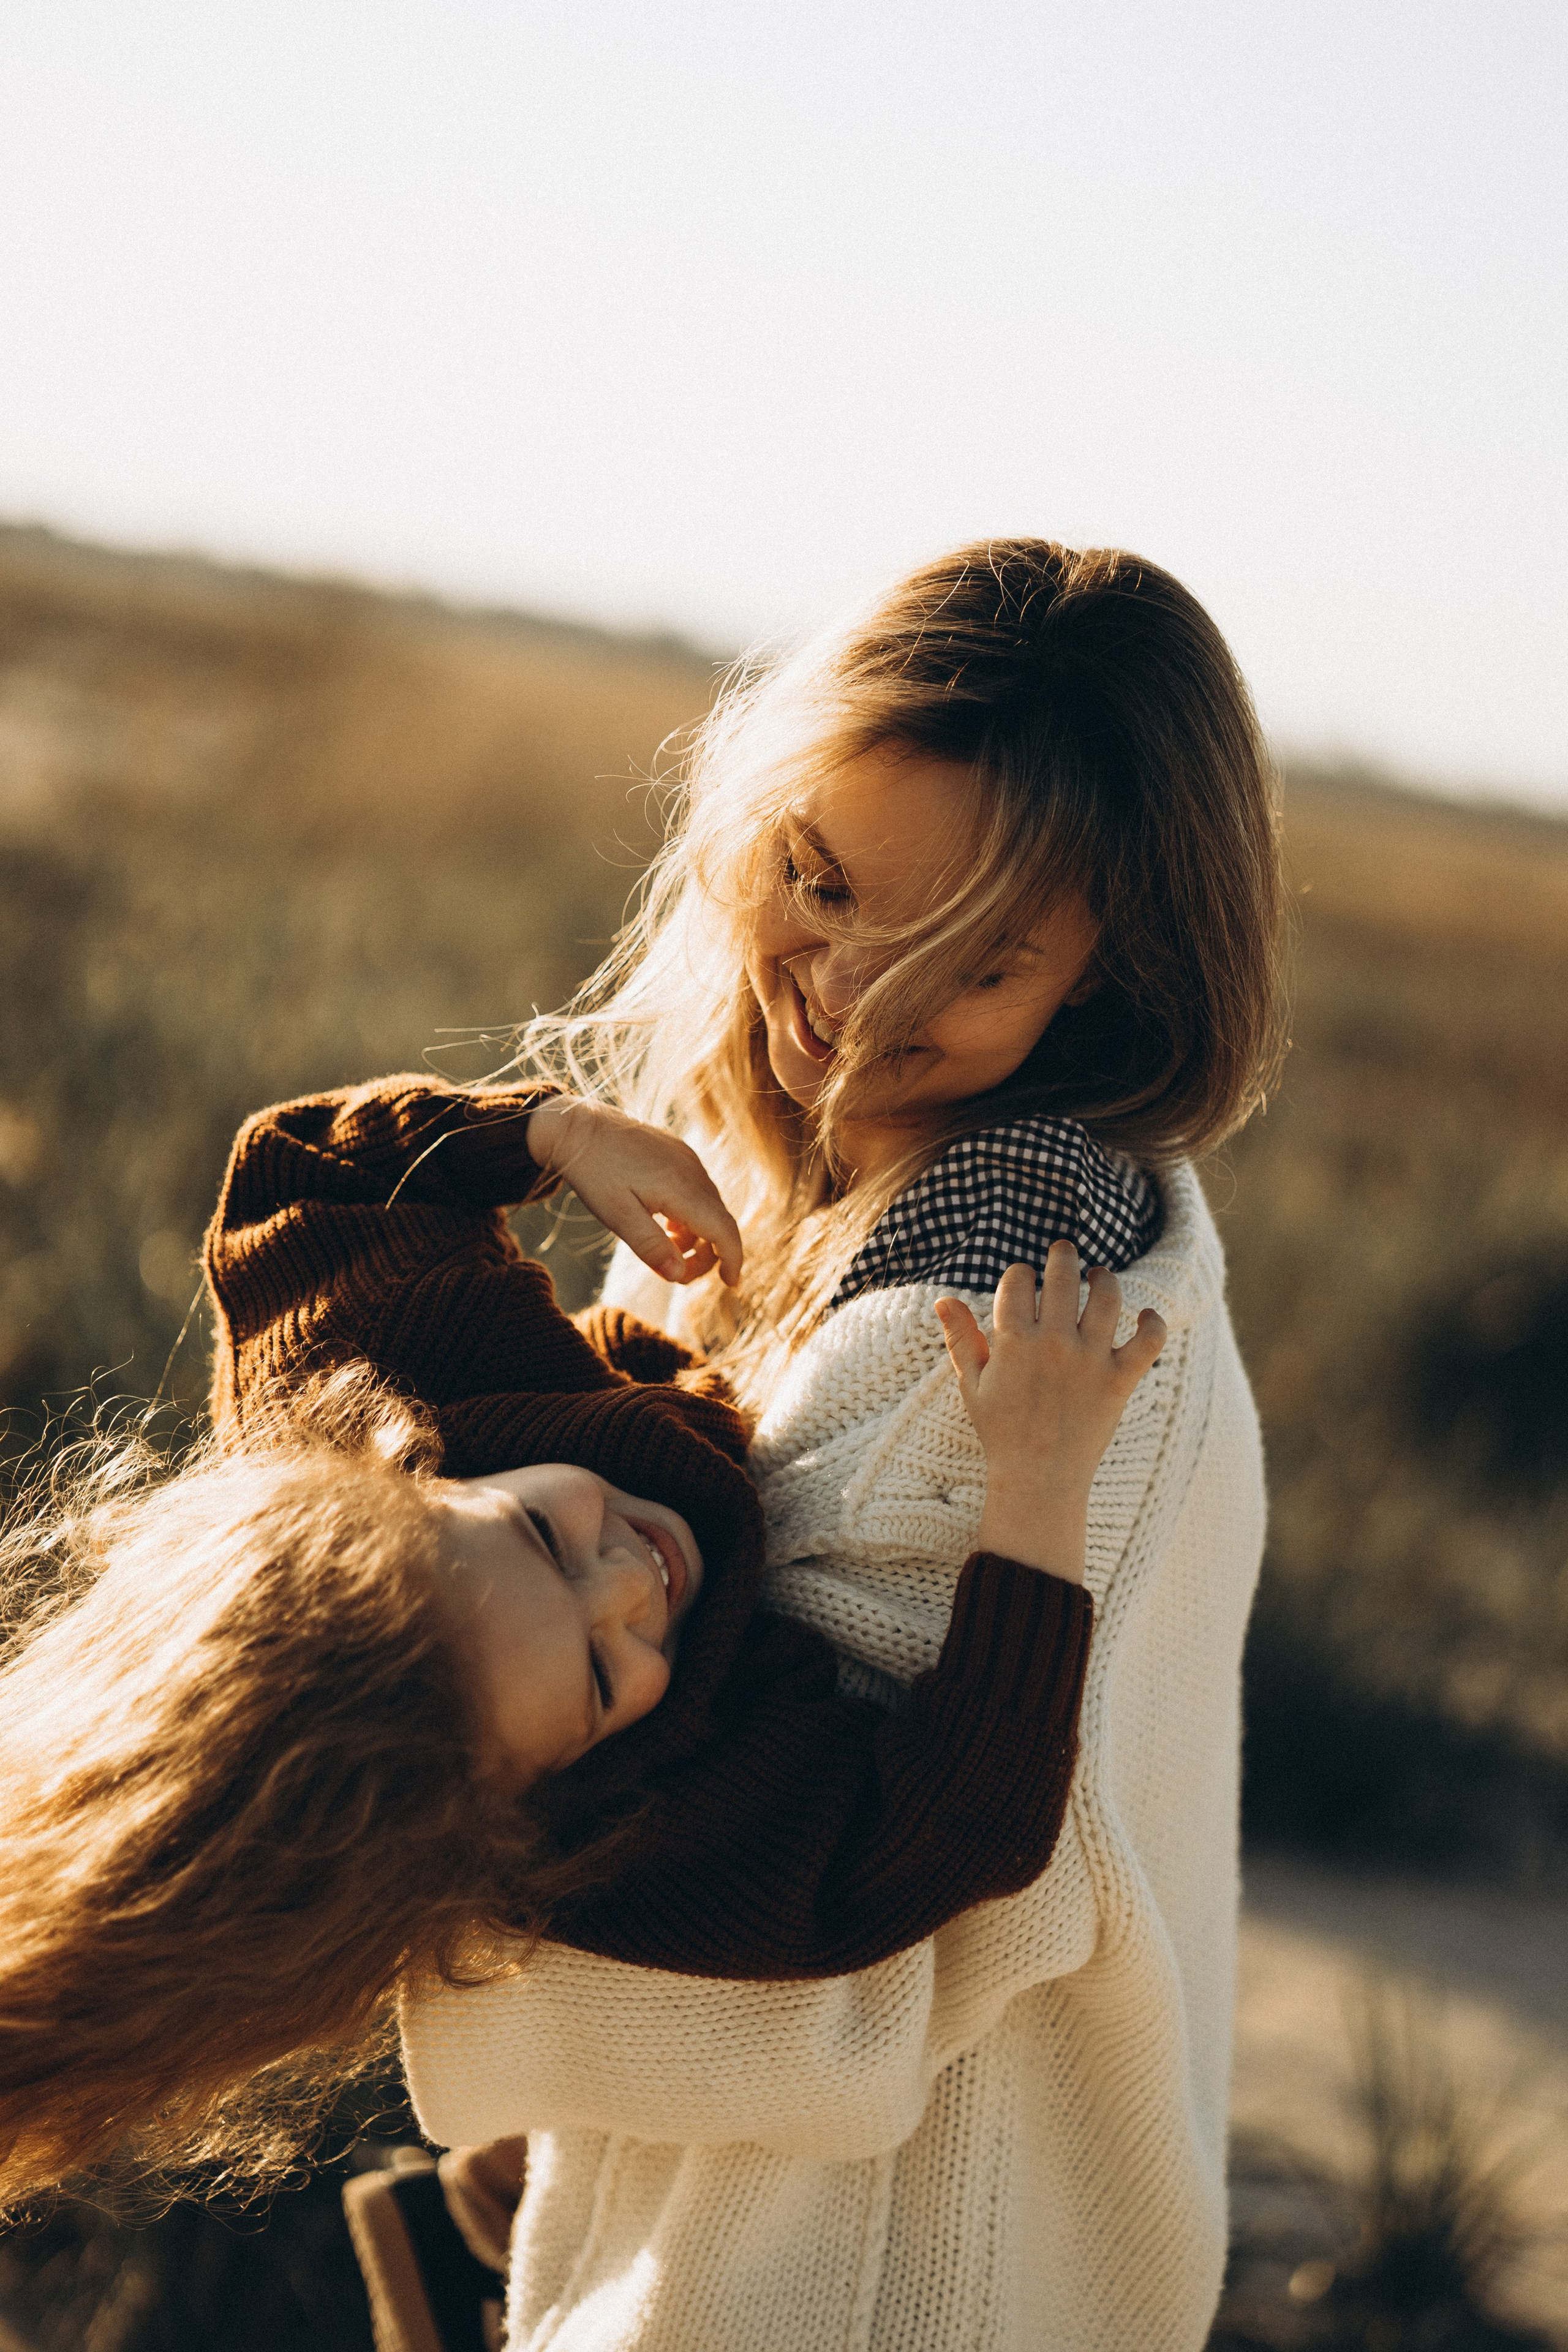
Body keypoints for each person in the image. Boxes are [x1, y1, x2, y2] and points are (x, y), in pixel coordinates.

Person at [404, 539, 1286, 2350]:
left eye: (961, 958)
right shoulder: (873, 1186)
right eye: (814, 878)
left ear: (1115, 978)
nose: (851, 993)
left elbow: (856, 1950)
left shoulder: (996, 1336)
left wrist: (414, 1930)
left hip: (879, 2279)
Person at [0, 1072, 1163, 2216]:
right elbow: (953, 1831)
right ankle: (495, 2212)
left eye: (542, 1535)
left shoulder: (356, 1376)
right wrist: (1039, 1483)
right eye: (606, 1680)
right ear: (539, 1806)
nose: (633, 1587)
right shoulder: (631, 1830)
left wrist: (551, 1134)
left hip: (643, 1373)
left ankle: (488, 2192)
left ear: (408, 1477)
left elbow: (296, 1172)